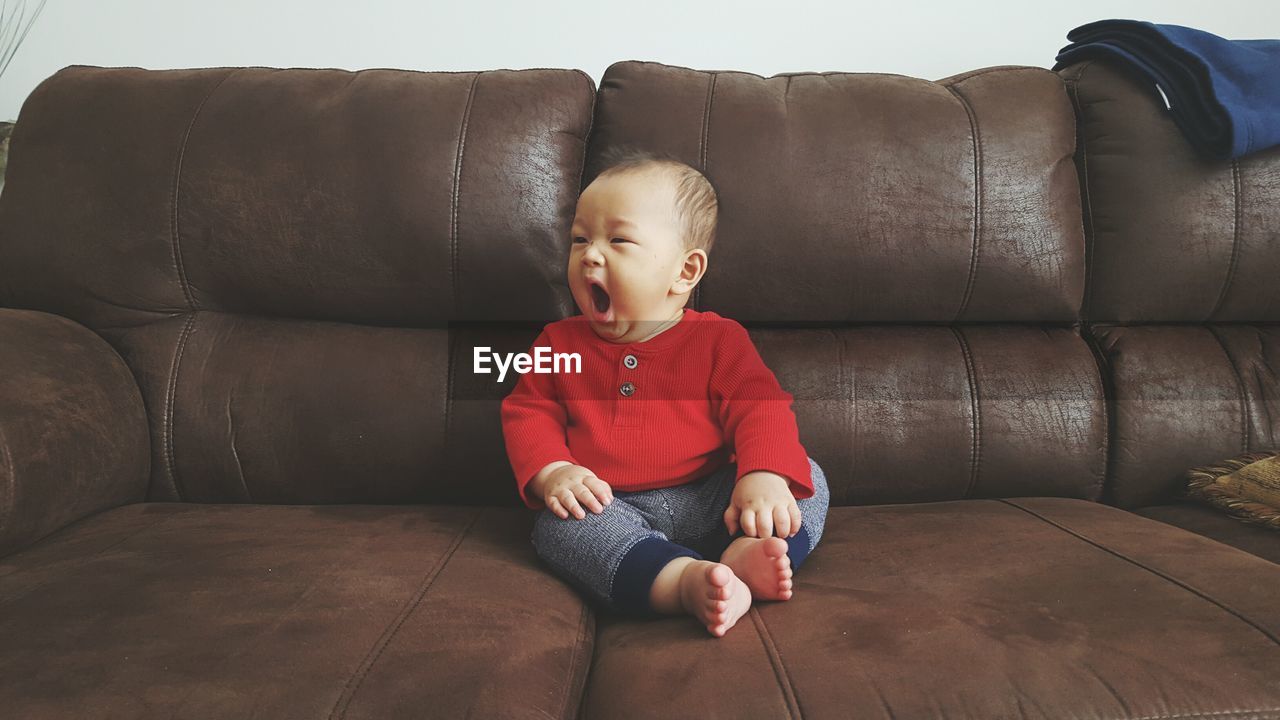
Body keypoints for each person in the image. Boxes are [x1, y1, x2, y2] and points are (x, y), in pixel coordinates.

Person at [500, 146, 830, 637]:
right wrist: (555, 472)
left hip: (717, 497)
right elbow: (528, 412)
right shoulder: (558, 343)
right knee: (559, 527)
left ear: (685, 272)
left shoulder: (718, 340)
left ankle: (752, 553)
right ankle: (680, 581)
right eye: (579, 239)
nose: (590, 253)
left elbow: (760, 409)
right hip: (613, 506)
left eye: (618, 240)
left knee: (805, 476)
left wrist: (761, 474)